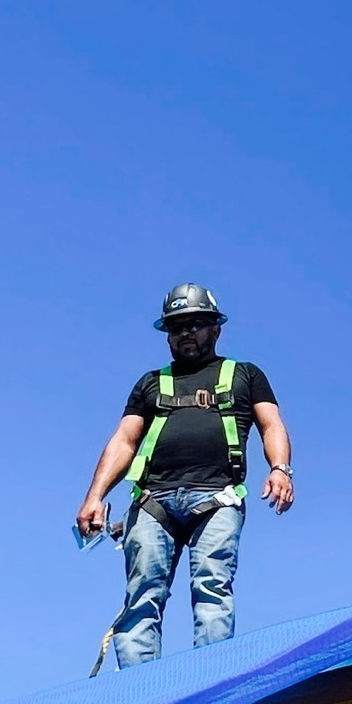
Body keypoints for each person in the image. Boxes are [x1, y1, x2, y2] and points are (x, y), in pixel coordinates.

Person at [76, 283, 295, 668]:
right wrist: (95, 496)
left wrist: (280, 469)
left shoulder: (244, 375)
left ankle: (206, 682)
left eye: (195, 324)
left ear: (216, 328)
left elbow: (271, 424)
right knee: (141, 596)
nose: (185, 334)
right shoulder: (150, 383)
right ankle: (137, 692)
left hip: (217, 497)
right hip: (152, 502)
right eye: (176, 328)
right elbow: (124, 440)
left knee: (212, 588)